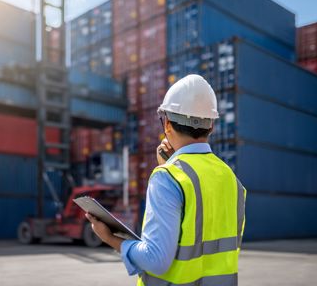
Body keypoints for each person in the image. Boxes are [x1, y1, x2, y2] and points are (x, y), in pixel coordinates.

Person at [86, 74, 246, 286]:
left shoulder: (167, 178)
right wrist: (169, 166)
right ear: (212, 126)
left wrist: (111, 239)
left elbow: (156, 260)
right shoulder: (231, 179)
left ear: (167, 124)